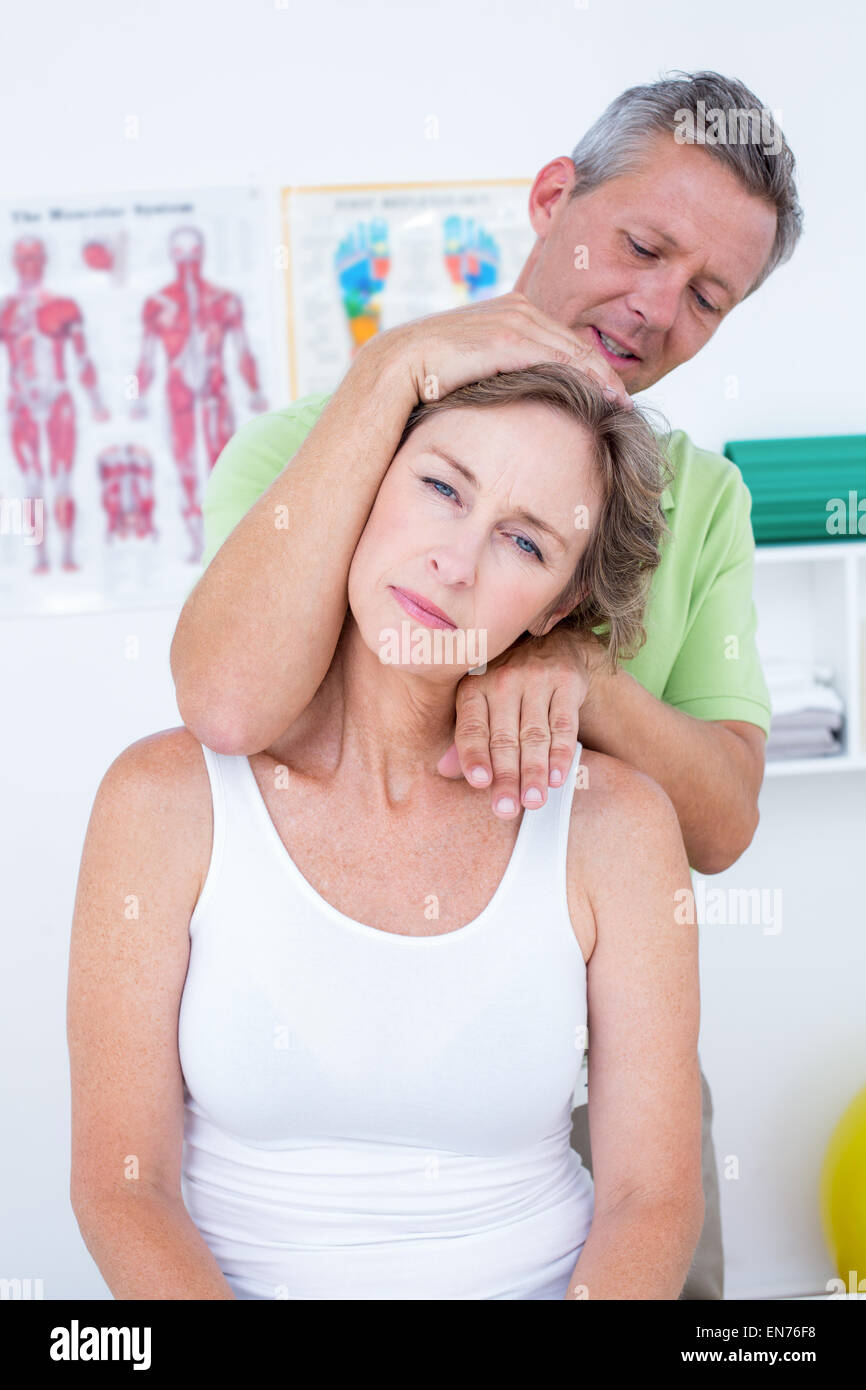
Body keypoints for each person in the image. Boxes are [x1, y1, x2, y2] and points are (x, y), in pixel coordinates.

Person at [169, 70, 804, 1299]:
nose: (656, 305)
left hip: (593, 1078)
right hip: (325, 1064)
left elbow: (720, 823)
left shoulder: (706, 501)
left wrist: (578, 673)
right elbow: (237, 706)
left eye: (708, 295)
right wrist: (389, 373)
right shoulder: (302, 446)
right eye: (640, 244)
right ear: (552, 196)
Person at [67, 360, 703, 1300]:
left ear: (560, 608)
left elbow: (652, 1197)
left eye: (524, 545)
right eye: (441, 487)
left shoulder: (616, 826)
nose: (456, 560)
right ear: (365, 483)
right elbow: (125, 1191)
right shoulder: (161, 800)